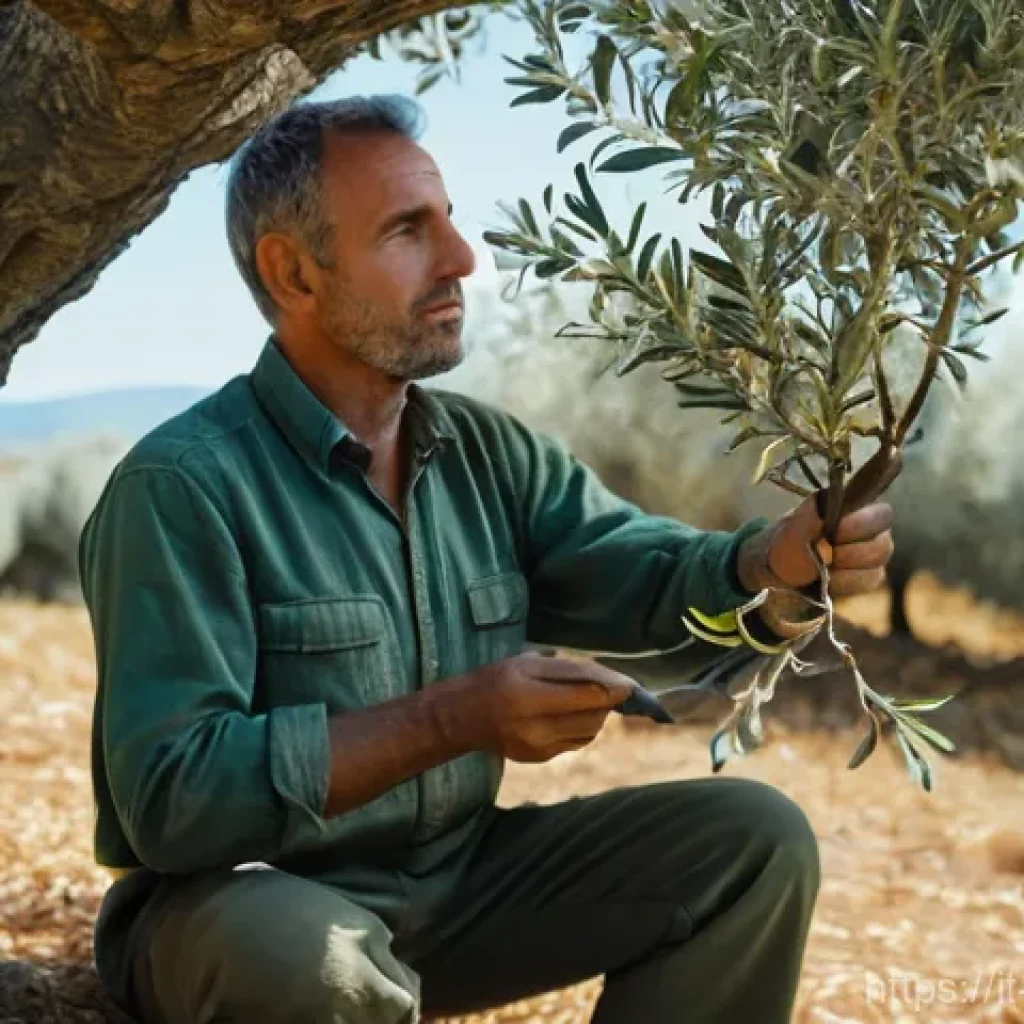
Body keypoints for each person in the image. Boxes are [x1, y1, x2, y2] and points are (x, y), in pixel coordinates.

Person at [79, 96, 895, 1024]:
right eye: (407, 231)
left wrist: (772, 562)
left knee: (753, 841)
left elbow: (641, 574)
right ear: (292, 272)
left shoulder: (488, 454)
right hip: (240, 909)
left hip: (457, 889)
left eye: (449, 221)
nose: (462, 259)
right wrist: (453, 718)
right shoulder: (181, 486)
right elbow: (175, 801)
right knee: (309, 962)